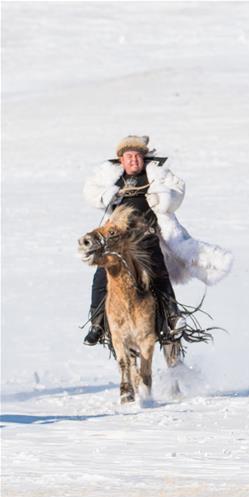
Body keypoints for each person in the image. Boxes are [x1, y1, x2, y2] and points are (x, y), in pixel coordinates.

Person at [82, 135, 233, 345]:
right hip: (118, 241)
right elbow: (90, 192)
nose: (133, 160)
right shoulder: (111, 179)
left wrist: (163, 198)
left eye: (137, 156)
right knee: (101, 277)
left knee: (159, 271)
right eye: (129, 156)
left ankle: (172, 317)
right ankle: (97, 324)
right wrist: (108, 195)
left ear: (143, 158)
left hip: (147, 237)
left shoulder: (156, 175)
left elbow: (178, 191)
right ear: (121, 160)